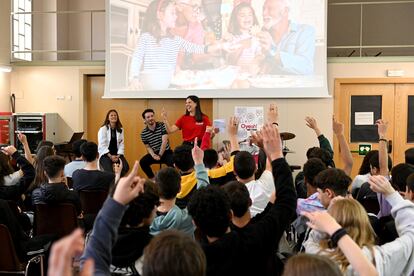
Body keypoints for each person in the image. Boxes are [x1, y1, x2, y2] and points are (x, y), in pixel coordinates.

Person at [187, 123, 296, 276]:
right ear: (230, 214)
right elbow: (287, 201)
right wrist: (276, 154)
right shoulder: (257, 237)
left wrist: (199, 164)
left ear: (195, 223)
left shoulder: (194, 262)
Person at [304, 175, 414, 276]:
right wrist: (391, 194)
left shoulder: (317, 259)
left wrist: (329, 215)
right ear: (364, 223)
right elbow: (411, 232)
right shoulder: (380, 260)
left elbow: (312, 240)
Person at [129, 0, 223, 89]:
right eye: (172, 13)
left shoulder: (175, 40)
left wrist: (220, 46)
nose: (176, 16)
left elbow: (195, 48)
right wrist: (134, 78)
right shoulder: (146, 37)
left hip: (168, 85)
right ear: (160, 15)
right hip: (151, 85)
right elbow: (137, 58)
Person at [150, 142, 208, 236]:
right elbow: (203, 193)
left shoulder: (145, 220)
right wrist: (199, 163)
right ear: (179, 189)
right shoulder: (187, 218)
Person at [258, 0, 315, 75]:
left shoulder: (305, 31)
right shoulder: (264, 33)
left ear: (285, 11)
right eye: (263, 9)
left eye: (270, 8)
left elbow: (306, 67)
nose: (264, 13)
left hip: (297, 86)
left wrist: (273, 51)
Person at [226, 2, 262, 74]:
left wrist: (257, 60)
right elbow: (230, 61)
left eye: (250, 14)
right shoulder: (232, 37)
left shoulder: (256, 38)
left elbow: (260, 54)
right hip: (237, 74)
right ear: (235, 18)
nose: (247, 18)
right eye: (242, 15)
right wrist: (241, 45)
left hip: (252, 73)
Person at [139, 109, 174, 179]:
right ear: (145, 120)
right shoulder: (143, 133)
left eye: (152, 116)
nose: (151, 118)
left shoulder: (162, 125)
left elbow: (164, 142)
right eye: (148, 117)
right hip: (155, 153)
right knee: (143, 162)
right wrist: (153, 155)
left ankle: (175, 181)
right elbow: (148, 147)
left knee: (173, 163)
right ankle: (153, 179)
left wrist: (160, 155)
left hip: (166, 152)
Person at [98, 109, 129, 176]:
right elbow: (102, 145)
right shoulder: (103, 129)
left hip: (117, 154)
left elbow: (121, 144)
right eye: (111, 115)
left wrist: (118, 156)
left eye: (115, 115)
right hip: (106, 154)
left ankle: (118, 181)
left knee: (126, 167)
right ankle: (112, 184)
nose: (113, 116)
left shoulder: (120, 129)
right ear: (108, 118)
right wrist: (110, 156)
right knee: (109, 172)